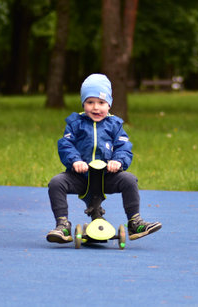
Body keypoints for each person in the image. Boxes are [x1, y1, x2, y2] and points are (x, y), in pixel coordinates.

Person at [46, 73, 162, 244]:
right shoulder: (75, 123)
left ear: (109, 104)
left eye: (101, 103)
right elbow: (66, 145)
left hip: (106, 176)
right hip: (81, 176)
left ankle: (134, 222)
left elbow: (124, 147)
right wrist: (75, 161)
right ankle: (62, 225)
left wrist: (118, 161)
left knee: (129, 180)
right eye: (90, 102)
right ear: (83, 103)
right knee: (56, 183)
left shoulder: (114, 125)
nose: (96, 108)